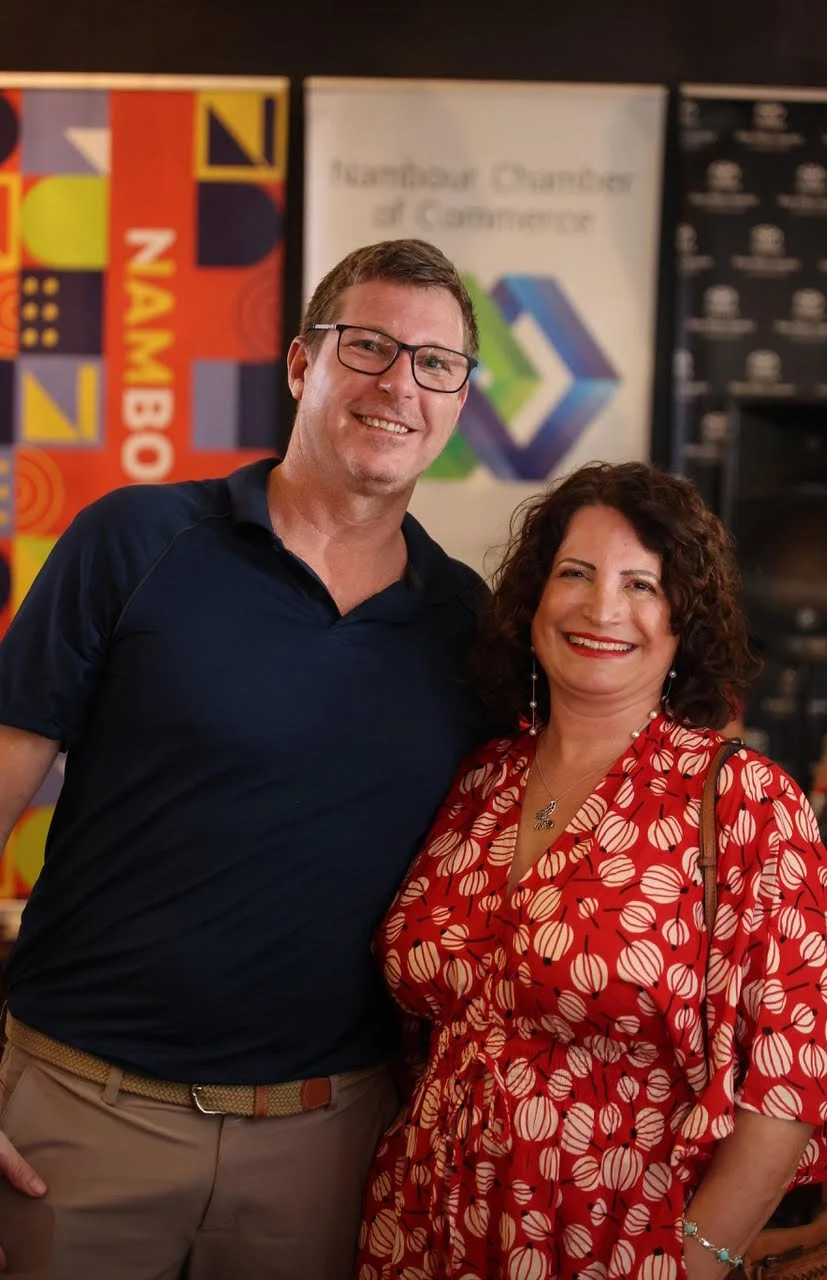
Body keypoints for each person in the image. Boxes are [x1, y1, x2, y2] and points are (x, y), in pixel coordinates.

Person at [0, 238, 491, 1280]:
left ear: (457, 401)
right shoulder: (136, 540)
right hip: (81, 1115)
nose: (398, 383)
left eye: (435, 363)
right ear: (302, 363)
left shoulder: (467, 626)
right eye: (368, 346)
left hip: (326, 1144)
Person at [357, 461, 827, 1280]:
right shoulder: (479, 781)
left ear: (682, 621)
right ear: (533, 601)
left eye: (640, 585)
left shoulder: (742, 800)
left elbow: (794, 1074)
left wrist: (694, 1260)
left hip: (619, 1240)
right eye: (574, 574)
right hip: (421, 1227)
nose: (600, 608)